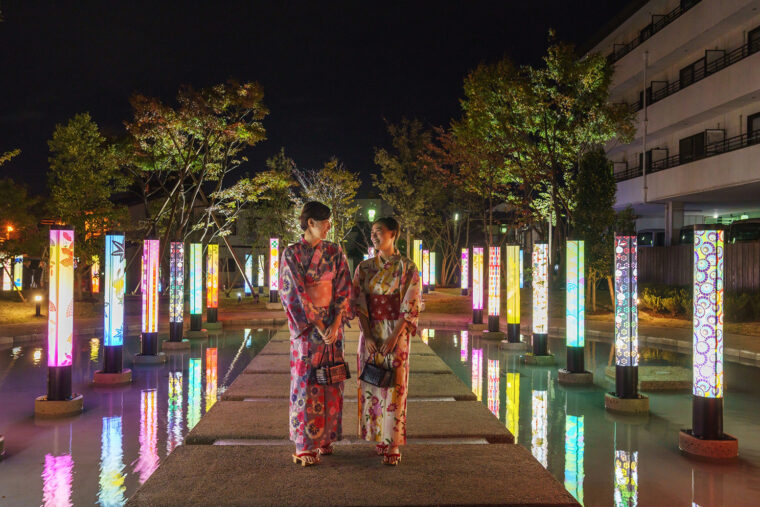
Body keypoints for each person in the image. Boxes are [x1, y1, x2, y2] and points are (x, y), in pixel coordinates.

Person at [279, 201, 352, 466]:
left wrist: (336, 320)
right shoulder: (292, 253)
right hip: (308, 329)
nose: (329, 226)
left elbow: (344, 286)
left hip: (332, 325)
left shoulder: (335, 251)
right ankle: (304, 443)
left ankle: (326, 437)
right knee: (306, 382)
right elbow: (293, 293)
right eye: (325, 221)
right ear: (310, 223)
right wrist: (318, 325)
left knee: (332, 380)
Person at [353, 217, 421, 465]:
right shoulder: (364, 267)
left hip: (396, 332)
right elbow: (358, 304)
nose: (374, 236)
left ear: (394, 234)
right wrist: (368, 334)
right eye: (372, 232)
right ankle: (379, 437)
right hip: (371, 333)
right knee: (373, 384)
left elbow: (410, 304)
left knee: (394, 386)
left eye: (379, 231)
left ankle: (392, 443)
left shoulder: (407, 267)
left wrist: (394, 337)